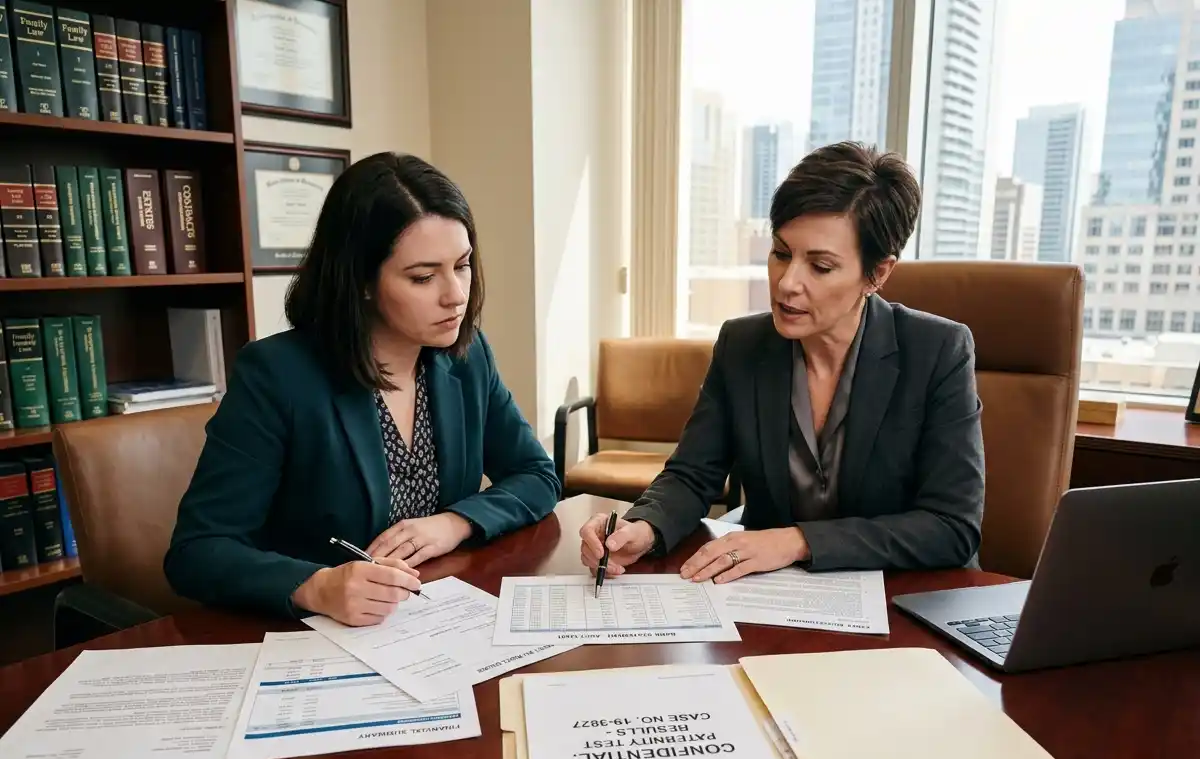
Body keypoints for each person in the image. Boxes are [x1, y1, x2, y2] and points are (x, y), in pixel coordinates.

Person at [165, 152, 559, 625]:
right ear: (362, 282)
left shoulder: (467, 357)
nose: (455, 294)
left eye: (462, 265)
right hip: (316, 637)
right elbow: (197, 552)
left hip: (432, 622)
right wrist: (315, 585)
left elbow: (538, 476)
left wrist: (455, 523)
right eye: (423, 276)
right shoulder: (277, 375)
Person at [580, 141, 985, 584]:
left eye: (821, 266)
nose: (787, 283)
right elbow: (693, 474)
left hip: (902, 601)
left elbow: (952, 527)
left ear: (878, 273)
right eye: (781, 253)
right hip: (777, 602)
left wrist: (798, 540)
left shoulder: (937, 351)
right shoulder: (743, 344)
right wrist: (644, 527)